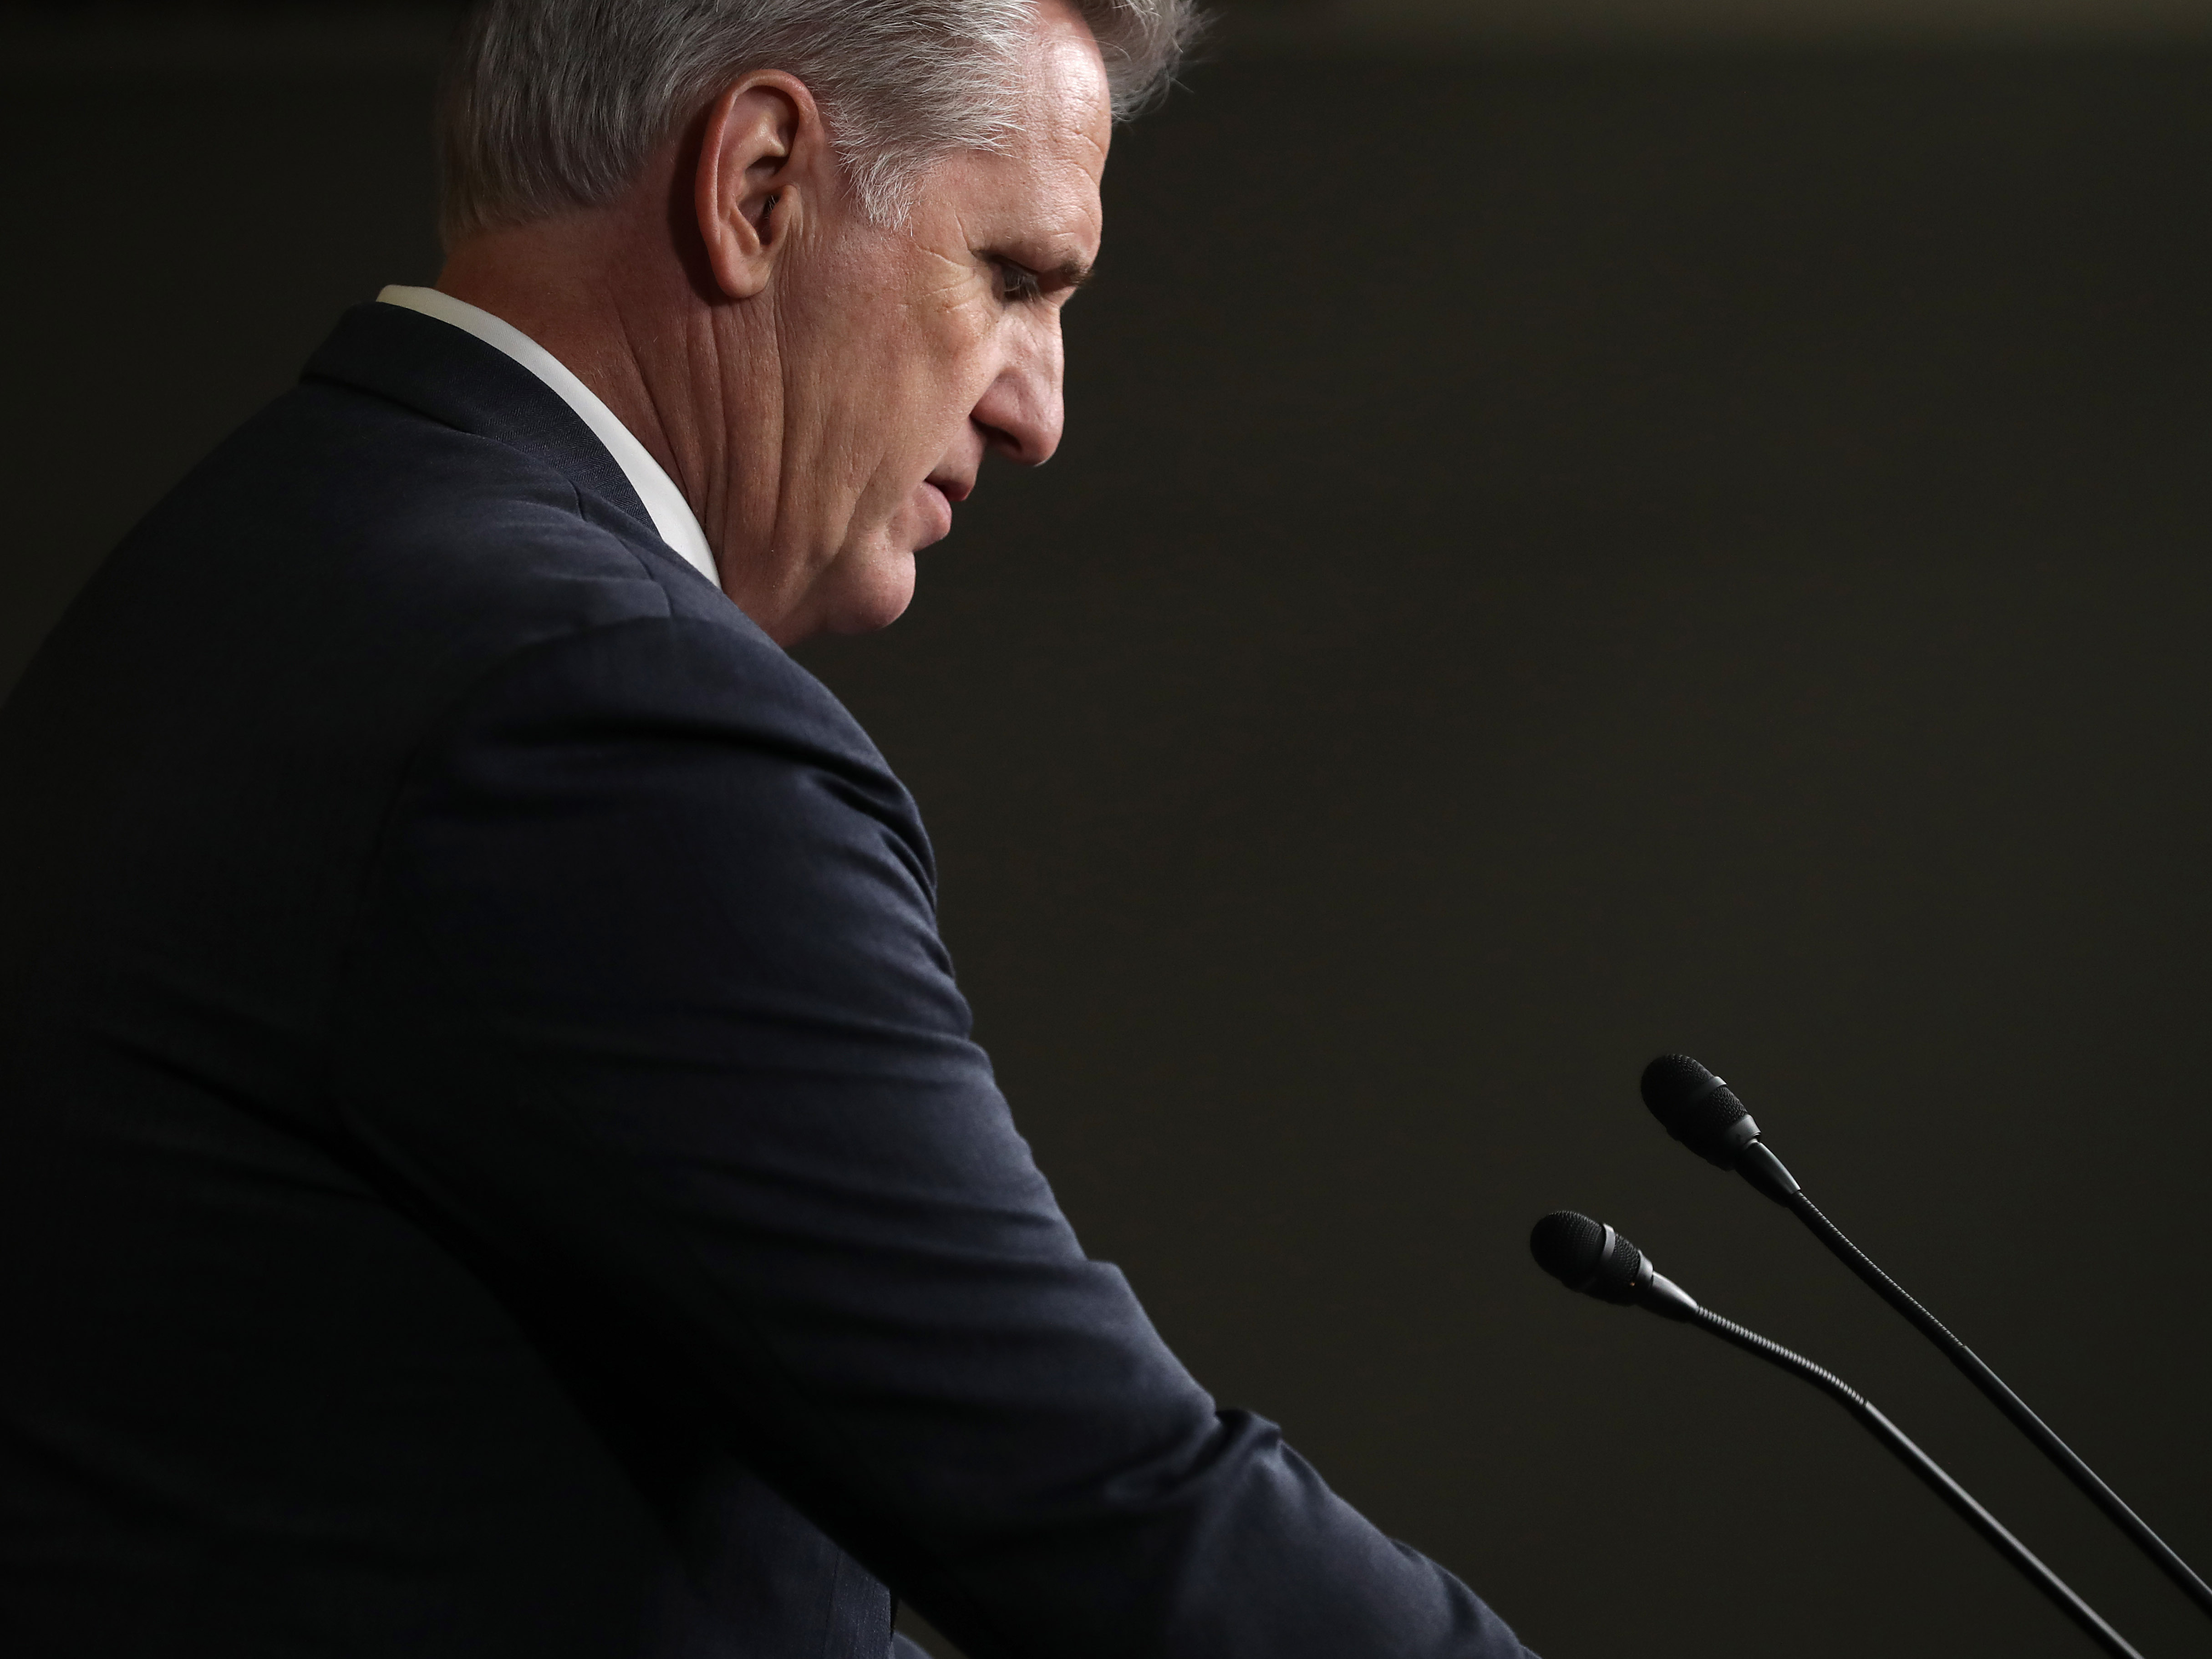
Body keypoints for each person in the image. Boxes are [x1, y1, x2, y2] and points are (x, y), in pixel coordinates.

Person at [0, 3, 1536, 1655]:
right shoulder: (594, 708)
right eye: (1013, 278)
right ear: (757, 184)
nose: (1038, 410)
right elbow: (1098, 1500)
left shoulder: (250, 564)